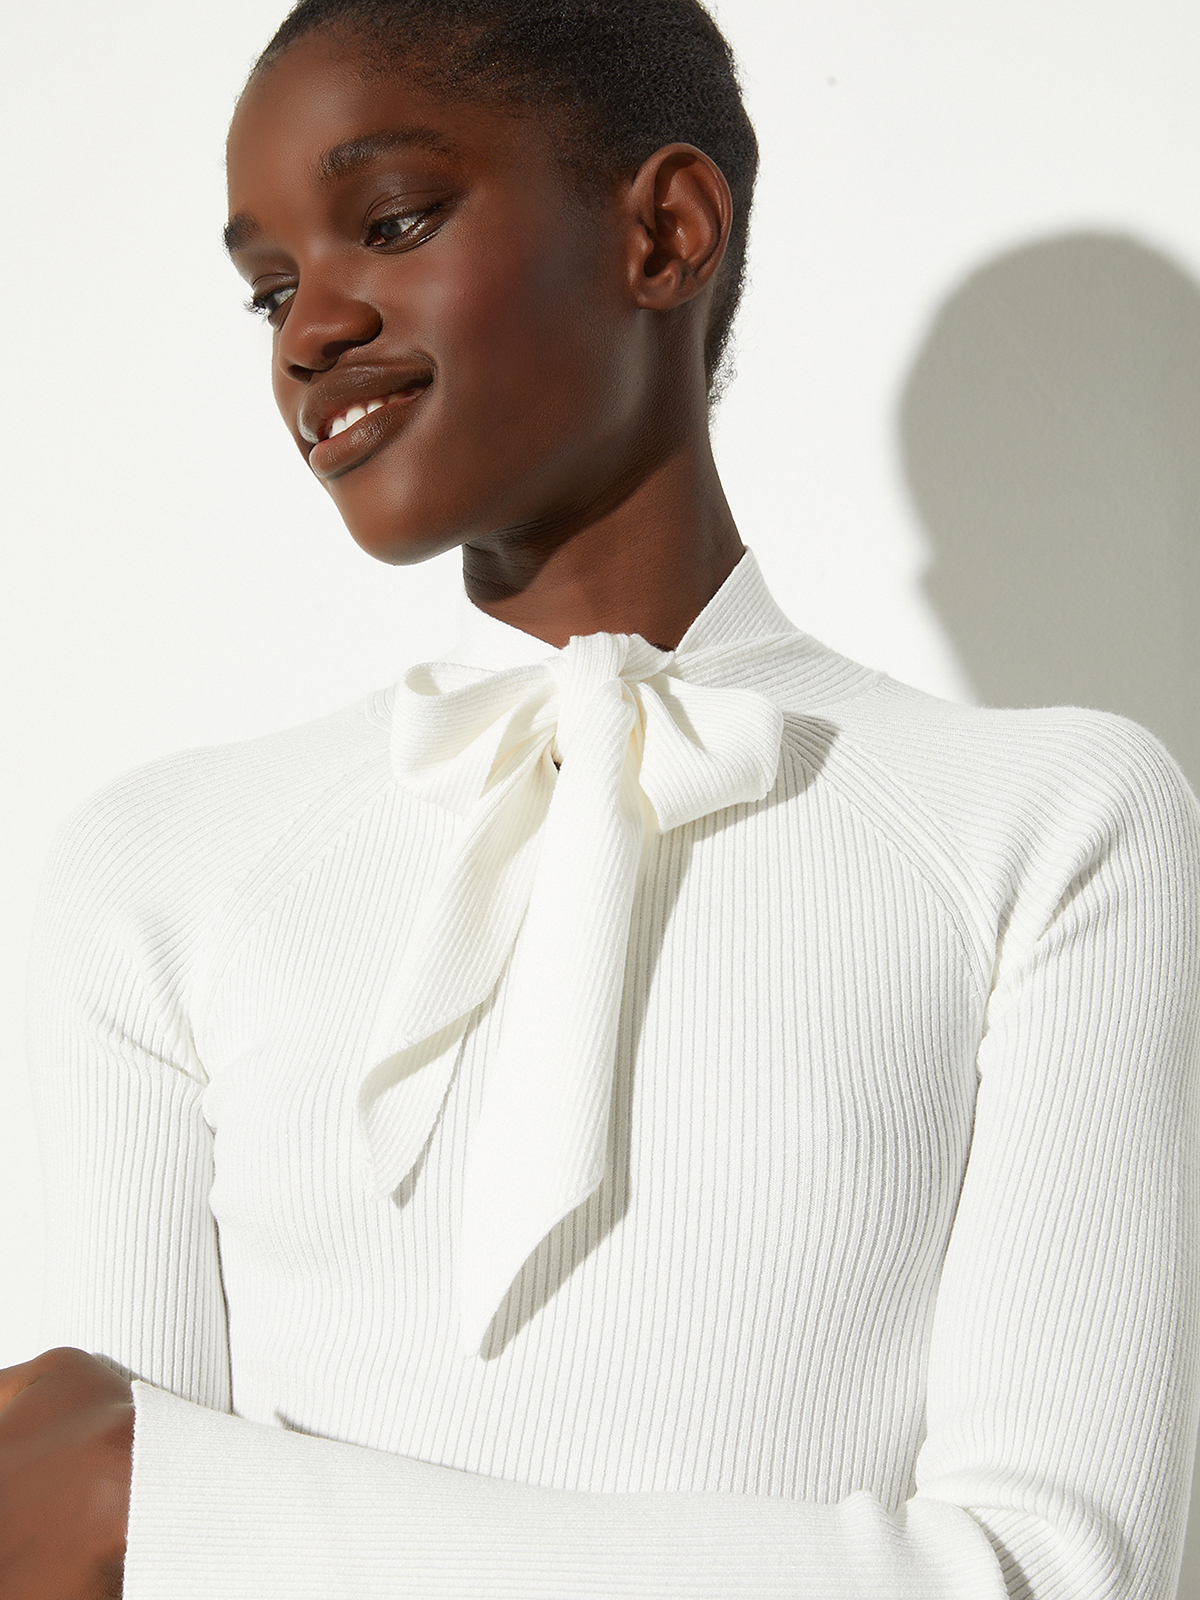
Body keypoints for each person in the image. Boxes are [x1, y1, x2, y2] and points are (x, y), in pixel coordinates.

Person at [4, 0, 1199, 1595]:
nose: (309, 331)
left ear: (665, 232)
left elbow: (1065, 1572)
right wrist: (132, 1519)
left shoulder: (1054, 831)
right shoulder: (157, 875)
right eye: (271, 288)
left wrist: (197, 1519)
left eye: (393, 221)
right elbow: (69, 1559)